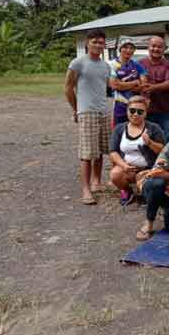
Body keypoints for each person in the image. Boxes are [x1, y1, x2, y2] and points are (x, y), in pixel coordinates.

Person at [65, 29, 112, 205]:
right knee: (86, 153)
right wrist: (76, 109)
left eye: (101, 42)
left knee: (99, 150)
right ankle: (85, 189)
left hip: (104, 111)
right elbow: (68, 88)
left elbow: (107, 87)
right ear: (87, 43)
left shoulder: (105, 65)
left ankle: (96, 181)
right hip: (87, 112)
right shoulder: (78, 63)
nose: (98, 45)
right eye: (95, 42)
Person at [109, 96, 165, 205]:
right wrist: (124, 165)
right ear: (127, 111)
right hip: (127, 169)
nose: (135, 114)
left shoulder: (154, 128)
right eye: (132, 110)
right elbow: (113, 152)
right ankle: (126, 190)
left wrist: (150, 143)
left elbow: (163, 151)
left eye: (140, 112)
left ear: (146, 113)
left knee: (149, 196)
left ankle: (144, 191)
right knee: (115, 174)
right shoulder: (119, 129)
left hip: (148, 170)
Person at [139, 36, 169, 142]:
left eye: (159, 47)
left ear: (164, 49)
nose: (156, 49)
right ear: (148, 47)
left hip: (164, 110)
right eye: (153, 46)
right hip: (145, 111)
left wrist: (152, 88)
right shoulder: (140, 63)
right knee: (145, 139)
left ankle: (164, 158)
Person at [109, 39, 146, 126]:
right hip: (120, 105)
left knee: (136, 131)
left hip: (136, 106)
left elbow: (143, 84)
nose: (128, 50)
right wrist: (135, 82)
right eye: (125, 47)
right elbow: (114, 85)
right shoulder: (112, 64)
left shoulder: (137, 65)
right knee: (119, 132)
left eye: (131, 48)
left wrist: (122, 84)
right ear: (120, 49)